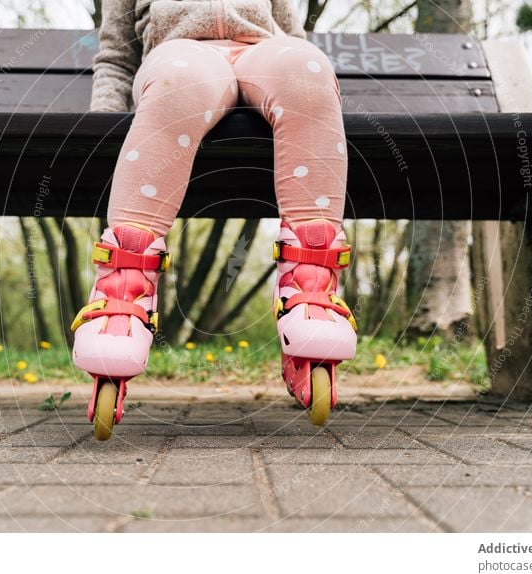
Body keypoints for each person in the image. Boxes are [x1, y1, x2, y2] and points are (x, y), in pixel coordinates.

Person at [72, 0, 357, 440]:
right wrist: (102, 125)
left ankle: (311, 282)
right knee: (176, 83)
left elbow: (291, 36)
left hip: (264, 52)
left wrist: (311, 90)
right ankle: (122, 287)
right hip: (181, 55)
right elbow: (115, 55)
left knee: (307, 68)